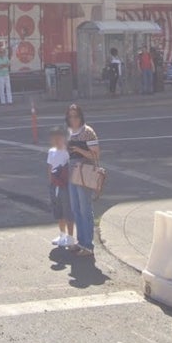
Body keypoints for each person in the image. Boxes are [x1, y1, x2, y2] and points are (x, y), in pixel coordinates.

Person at [64, 104, 100, 257]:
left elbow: (95, 155)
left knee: (85, 208)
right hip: (72, 170)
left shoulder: (88, 132)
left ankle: (88, 245)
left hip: (84, 170)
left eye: (76, 116)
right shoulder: (68, 132)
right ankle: (81, 241)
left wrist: (78, 150)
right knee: (76, 208)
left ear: (81, 117)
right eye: (70, 116)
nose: (73, 119)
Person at [46, 125, 74, 248]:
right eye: (54, 138)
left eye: (59, 138)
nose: (56, 141)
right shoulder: (51, 152)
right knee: (58, 211)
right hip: (54, 185)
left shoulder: (67, 153)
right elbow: (50, 168)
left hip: (65, 186)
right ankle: (62, 234)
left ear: (64, 139)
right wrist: (51, 183)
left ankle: (70, 236)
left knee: (68, 211)